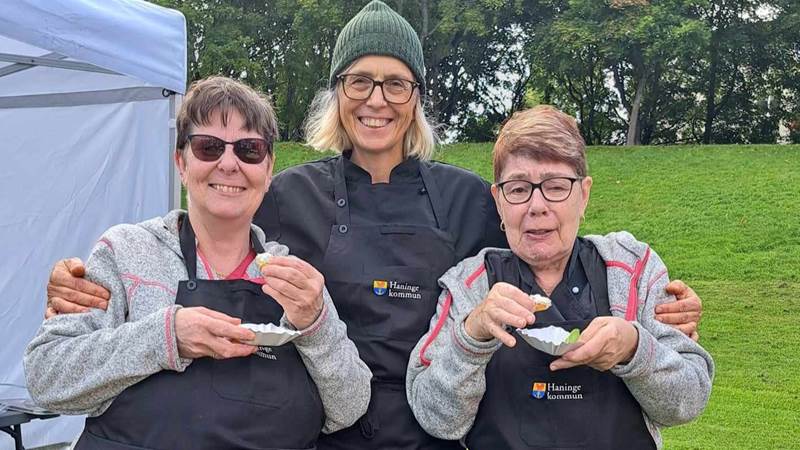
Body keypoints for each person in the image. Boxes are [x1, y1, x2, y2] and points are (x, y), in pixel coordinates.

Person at [42, 1, 703, 448]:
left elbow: (547, 239)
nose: (377, 100)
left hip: (436, 428)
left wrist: (658, 311)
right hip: (326, 429)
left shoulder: (470, 197)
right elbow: (211, 231)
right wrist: (80, 283)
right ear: (338, 93)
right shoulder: (286, 194)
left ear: (416, 96)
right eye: (359, 81)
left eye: (395, 83)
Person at [24, 76, 371, 450]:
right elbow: (47, 375)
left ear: (268, 170)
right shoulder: (125, 252)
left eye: (249, 150)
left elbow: (349, 408)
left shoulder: (294, 279)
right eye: (209, 147)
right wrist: (166, 337)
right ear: (181, 163)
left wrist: (315, 324)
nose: (228, 164)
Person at [406, 105, 714, 449]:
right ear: (499, 202)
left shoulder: (631, 269)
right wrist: (471, 336)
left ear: (583, 195)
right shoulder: (470, 284)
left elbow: (688, 400)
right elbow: (436, 419)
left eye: (555, 186)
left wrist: (633, 348)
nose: (537, 206)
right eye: (519, 189)